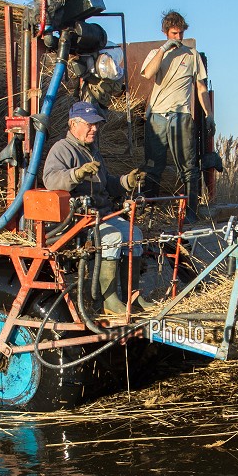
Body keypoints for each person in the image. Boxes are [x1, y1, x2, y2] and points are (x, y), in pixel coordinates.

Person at [41, 101, 148, 315]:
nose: (95, 129)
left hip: (102, 215)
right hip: (78, 221)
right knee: (111, 238)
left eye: (96, 124)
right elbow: (50, 179)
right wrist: (77, 174)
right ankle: (108, 301)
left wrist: (128, 181)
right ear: (74, 124)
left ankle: (132, 296)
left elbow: (106, 183)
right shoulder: (62, 149)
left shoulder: (93, 151)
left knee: (134, 234)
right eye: (90, 124)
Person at [139, 10, 213, 205]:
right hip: (157, 116)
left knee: (189, 166)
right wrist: (164, 49)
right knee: (153, 165)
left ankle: (191, 211)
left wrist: (209, 114)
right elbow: (148, 74)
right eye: (174, 34)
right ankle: (150, 209)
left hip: (181, 115)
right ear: (166, 33)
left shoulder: (192, 55)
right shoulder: (156, 54)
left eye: (181, 33)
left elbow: (201, 88)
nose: (179, 37)